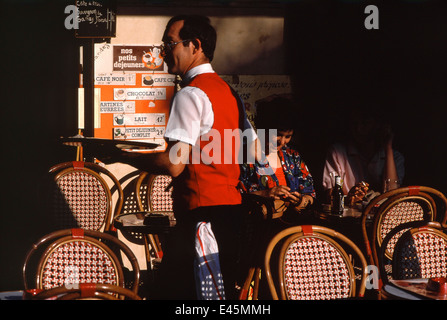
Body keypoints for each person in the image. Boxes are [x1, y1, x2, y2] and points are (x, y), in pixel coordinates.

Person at [96, 15, 256, 299]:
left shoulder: (190, 94)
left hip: (202, 219)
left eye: (169, 43)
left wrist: (122, 156)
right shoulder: (230, 93)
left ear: (195, 46)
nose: (163, 51)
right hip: (231, 218)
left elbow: (173, 164)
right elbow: (252, 150)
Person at [239, 95, 316, 217]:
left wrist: (301, 201)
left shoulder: (293, 156)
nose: (282, 142)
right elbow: (235, 197)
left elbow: (310, 193)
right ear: (264, 128)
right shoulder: (245, 157)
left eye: (288, 136)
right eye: (278, 135)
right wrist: (265, 194)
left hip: (292, 227)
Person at [322, 107, 405, 207]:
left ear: (377, 125)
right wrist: (349, 198)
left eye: (365, 123)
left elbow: (392, 194)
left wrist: (388, 148)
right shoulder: (338, 153)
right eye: (354, 124)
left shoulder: (395, 157)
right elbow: (329, 196)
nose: (358, 129)